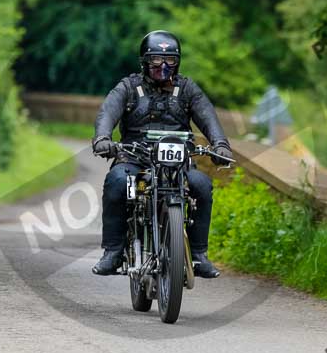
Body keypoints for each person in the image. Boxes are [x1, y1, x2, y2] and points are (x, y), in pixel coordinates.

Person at [91, 30, 233, 278]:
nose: (163, 66)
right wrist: (103, 139)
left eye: (170, 61)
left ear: (178, 62)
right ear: (145, 61)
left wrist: (220, 144)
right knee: (116, 183)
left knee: (201, 185)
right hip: (135, 158)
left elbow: (207, 115)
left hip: (179, 163)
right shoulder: (128, 87)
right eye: (156, 60)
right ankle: (113, 252)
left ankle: (198, 255)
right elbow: (108, 112)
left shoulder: (187, 89)